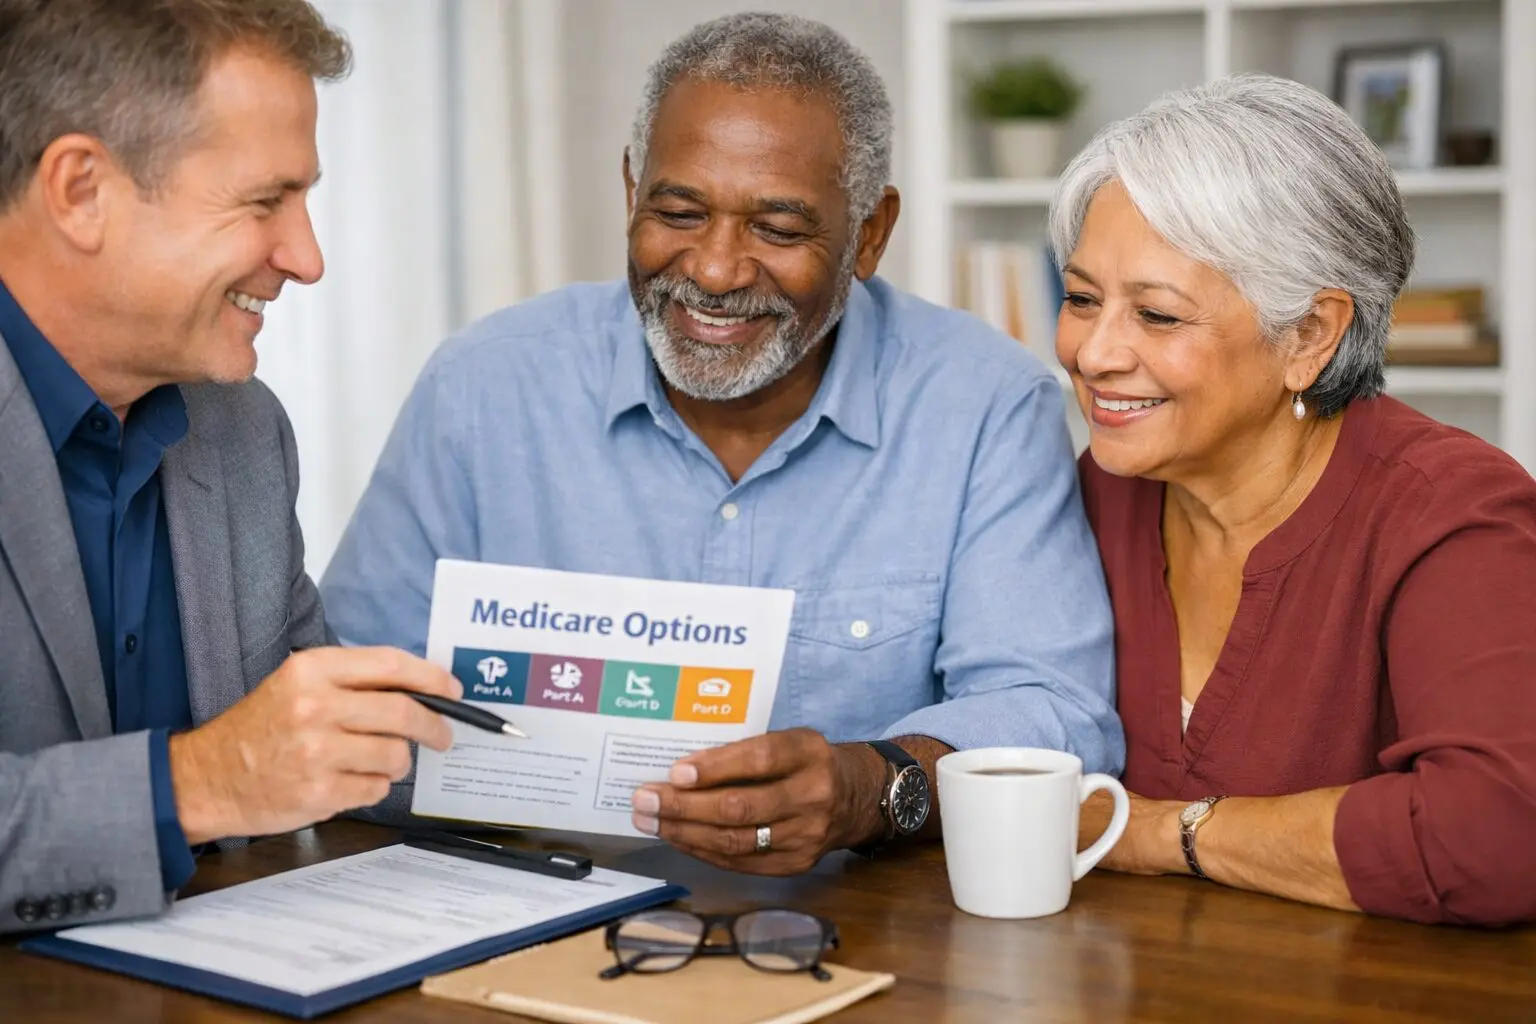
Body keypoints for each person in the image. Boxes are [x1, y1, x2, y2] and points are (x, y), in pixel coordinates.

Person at [321, 13, 1121, 876]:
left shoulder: (987, 405)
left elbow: (1054, 712)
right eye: (678, 211)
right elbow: (347, 696)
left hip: (862, 941)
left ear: (870, 235)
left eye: (777, 230)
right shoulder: (481, 387)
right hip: (526, 916)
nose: (714, 269)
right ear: (632, 190)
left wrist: (868, 788)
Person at [0, 0, 463, 935]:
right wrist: (197, 783)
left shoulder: (242, 434)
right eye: (265, 201)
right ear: (81, 190)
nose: (307, 257)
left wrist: (629, 757)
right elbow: (238, 771)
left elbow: (325, 753)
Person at [1058, 73, 1536, 925]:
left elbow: (1495, 838)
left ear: (1310, 336)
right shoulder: (1091, 495)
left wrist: (1164, 834)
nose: (1094, 355)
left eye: (1158, 317)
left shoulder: (1453, 511)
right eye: (1082, 298)